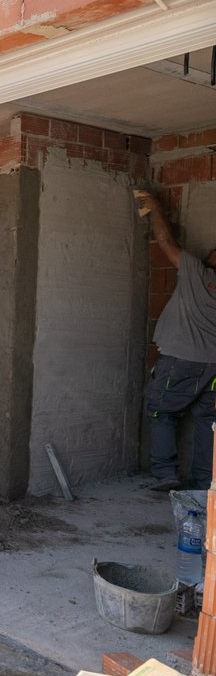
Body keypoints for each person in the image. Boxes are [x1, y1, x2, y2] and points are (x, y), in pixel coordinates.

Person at [135, 189, 216, 491]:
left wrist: (155, 208)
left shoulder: (199, 274)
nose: (209, 251)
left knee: (161, 410)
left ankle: (165, 474)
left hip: (182, 361)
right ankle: (206, 481)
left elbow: (167, 242)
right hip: (213, 367)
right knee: (207, 419)